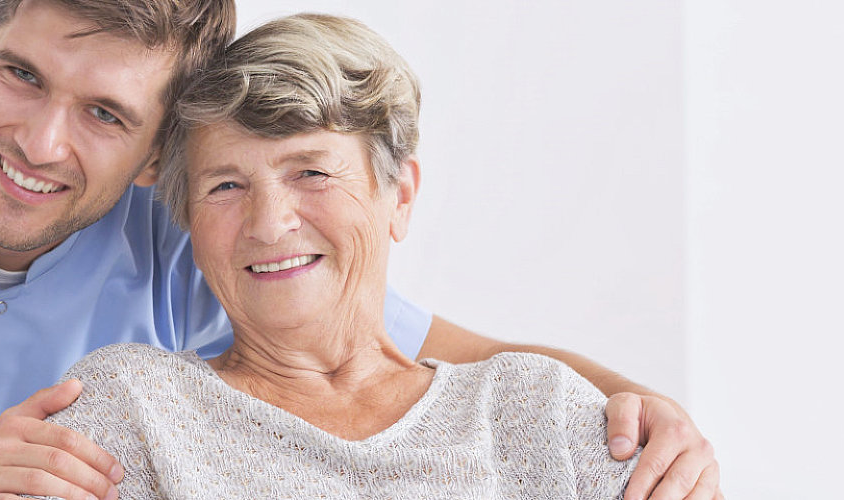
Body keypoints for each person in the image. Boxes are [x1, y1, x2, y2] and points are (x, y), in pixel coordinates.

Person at [0, 1, 717, 499]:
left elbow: (404, 350)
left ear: (157, 151)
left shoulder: (199, 219)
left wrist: (648, 413)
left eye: (106, 114)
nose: (43, 143)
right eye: (21, 76)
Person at [42, 13, 672, 498]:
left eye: (311, 172)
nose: (268, 224)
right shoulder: (129, 411)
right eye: (226, 185)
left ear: (399, 198)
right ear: (187, 221)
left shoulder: (538, 411)